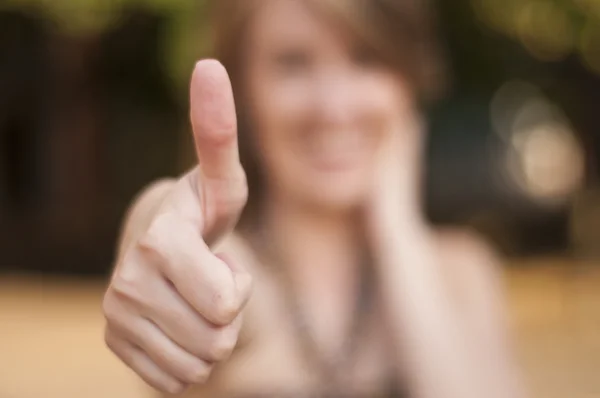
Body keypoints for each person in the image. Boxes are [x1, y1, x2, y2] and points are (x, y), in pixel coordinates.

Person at [102, 0, 526, 397]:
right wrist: (153, 222)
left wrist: (397, 228)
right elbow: (187, 253)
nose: (333, 107)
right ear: (244, 90)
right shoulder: (234, 269)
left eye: (366, 58)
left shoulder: (464, 274)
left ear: (409, 80)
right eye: (293, 63)